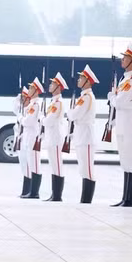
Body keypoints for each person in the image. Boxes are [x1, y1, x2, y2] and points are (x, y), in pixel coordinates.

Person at [109, 43, 132, 207]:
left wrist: (112, 98)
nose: (122, 60)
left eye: (125, 57)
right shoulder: (125, 80)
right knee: (125, 161)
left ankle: (130, 200)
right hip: (123, 125)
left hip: (131, 126)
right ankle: (125, 198)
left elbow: (120, 101)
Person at [66, 65, 98, 204]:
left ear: (88, 81)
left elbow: (74, 115)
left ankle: (87, 199)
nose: (78, 80)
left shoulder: (87, 97)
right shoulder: (83, 97)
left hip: (86, 137)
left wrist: (70, 113)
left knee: (88, 169)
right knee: (83, 169)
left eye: (81, 78)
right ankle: (84, 198)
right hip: (81, 136)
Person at [43, 72, 68, 202]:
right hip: (51, 137)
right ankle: (54, 194)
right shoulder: (53, 102)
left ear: (58, 87)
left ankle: (58, 195)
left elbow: (48, 121)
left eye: (53, 84)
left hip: (56, 138)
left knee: (57, 165)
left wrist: (42, 119)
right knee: (53, 165)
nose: (50, 85)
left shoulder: (58, 103)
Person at [21, 77, 43, 199]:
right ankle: (31, 191)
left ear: (36, 90)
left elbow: (28, 121)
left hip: (33, 137)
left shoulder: (35, 105)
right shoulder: (31, 105)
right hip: (29, 137)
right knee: (31, 163)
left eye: (31, 88)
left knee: (35, 164)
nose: (28, 90)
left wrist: (21, 119)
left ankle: (35, 192)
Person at [14, 86, 31, 197]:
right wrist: (18, 97)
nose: (22, 100)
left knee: (27, 165)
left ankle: (28, 190)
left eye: (24, 98)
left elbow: (26, 122)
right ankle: (25, 191)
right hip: (20, 139)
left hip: (26, 139)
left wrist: (20, 117)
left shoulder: (30, 109)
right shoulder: (21, 110)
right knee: (23, 166)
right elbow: (14, 108)